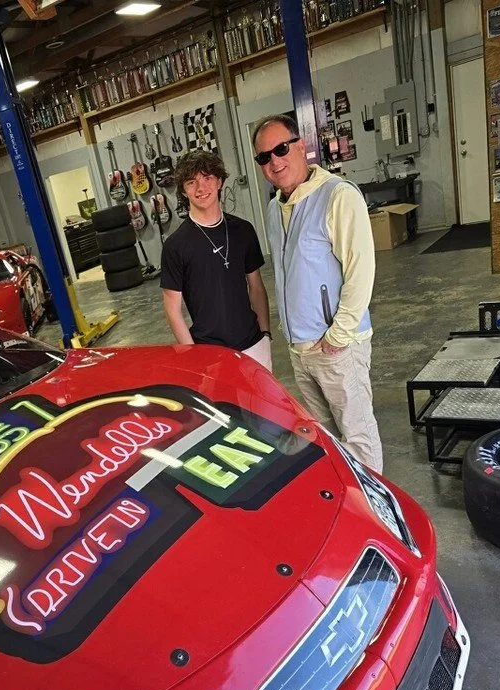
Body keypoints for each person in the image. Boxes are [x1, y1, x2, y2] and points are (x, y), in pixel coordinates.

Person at [252, 114, 383, 472]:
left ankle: (374, 512)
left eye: (281, 149)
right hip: (301, 348)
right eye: (264, 157)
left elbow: (361, 269)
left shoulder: (337, 195)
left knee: (356, 432)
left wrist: (338, 335)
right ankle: (347, 504)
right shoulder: (274, 207)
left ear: (301, 146)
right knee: (324, 435)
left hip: (337, 345)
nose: (274, 161)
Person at [160, 150, 272, 370]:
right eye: (192, 182)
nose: (201, 188)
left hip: (254, 343)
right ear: (183, 189)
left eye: (208, 178)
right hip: (209, 352)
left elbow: (257, 287)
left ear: (219, 181)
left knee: (260, 406)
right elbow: (173, 310)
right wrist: (193, 355)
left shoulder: (243, 230)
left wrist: (265, 334)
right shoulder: (175, 245)